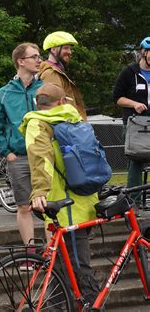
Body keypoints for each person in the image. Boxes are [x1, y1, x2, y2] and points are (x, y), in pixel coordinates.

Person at [19, 83, 99, 305]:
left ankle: (83, 306)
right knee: (68, 264)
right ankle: (62, 306)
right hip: (86, 199)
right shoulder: (74, 118)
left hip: (62, 204)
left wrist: (39, 192)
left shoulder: (38, 123)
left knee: (75, 266)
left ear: (37, 103)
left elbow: (40, 158)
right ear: (62, 102)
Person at [0, 43, 43, 251]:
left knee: (49, 206)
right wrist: (7, 152)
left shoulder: (44, 88)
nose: (39, 60)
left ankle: (50, 254)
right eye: (34, 57)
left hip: (43, 156)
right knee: (23, 206)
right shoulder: (3, 93)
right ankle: (30, 253)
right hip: (18, 157)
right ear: (21, 61)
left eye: (39, 56)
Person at [113, 37, 150, 210]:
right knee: (135, 161)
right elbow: (117, 98)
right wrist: (134, 104)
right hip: (134, 124)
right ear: (144, 52)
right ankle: (132, 202)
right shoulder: (129, 72)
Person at [39, 31, 87, 120]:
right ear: (53, 49)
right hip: (65, 127)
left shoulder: (58, 71)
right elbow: (54, 107)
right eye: (65, 48)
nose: (69, 52)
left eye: (70, 49)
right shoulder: (51, 73)